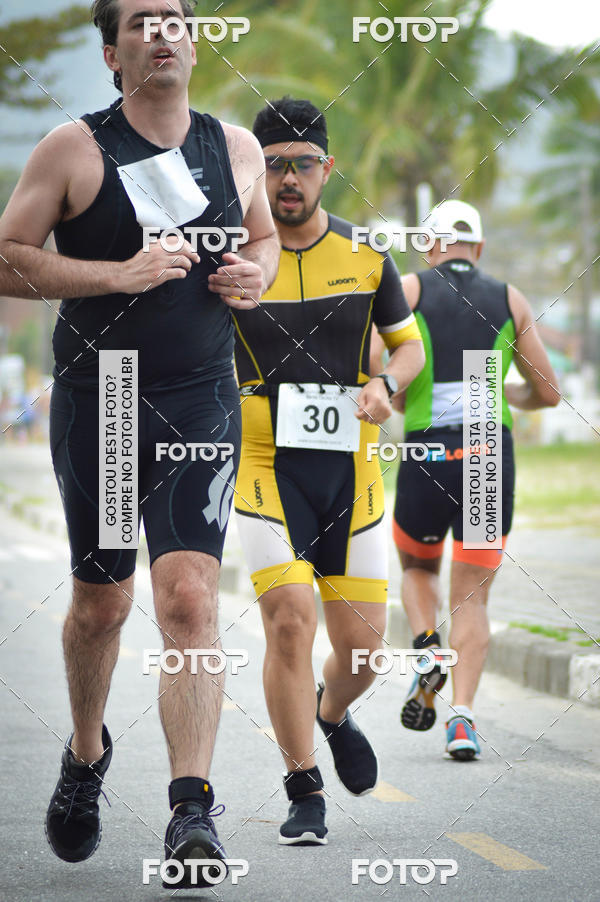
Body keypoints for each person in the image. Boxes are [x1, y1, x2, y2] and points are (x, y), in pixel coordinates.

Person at [0, 0, 279, 888]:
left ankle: (191, 809)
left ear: (194, 42)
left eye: (174, 18)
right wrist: (116, 275)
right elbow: (8, 255)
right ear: (112, 53)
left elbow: (265, 237)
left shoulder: (237, 147)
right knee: (103, 605)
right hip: (108, 399)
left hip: (200, 396)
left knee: (190, 598)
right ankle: (87, 755)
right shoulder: (75, 149)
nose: (162, 32)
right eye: (140, 22)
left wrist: (255, 274)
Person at [232, 96, 424, 844]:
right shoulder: (234, 257)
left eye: (303, 164)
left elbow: (407, 345)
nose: (289, 179)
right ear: (256, 172)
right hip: (263, 462)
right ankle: (303, 786)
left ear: (327, 168)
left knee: (367, 651)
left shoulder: (367, 253)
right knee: (289, 622)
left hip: (353, 468)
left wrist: (386, 384)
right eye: (274, 164)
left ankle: (331, 711)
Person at [371, 199, 560, 760]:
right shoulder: (508, 298)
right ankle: (463, 721)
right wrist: (502, 392)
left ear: (430, 245)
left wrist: (401, 397)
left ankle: (427, 648)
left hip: (428, 448)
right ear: (478, 247)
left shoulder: (411, 289)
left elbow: (377, 365)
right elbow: (548, 392)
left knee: (417, 565)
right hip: (486, 451)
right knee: (472, 596)